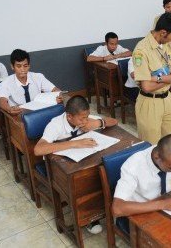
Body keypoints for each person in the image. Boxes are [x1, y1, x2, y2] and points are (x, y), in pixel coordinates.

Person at [34, 95, 117, 234]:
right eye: (82, 119)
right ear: (69, 116)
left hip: (80, 160)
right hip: (58, 167)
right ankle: (90, 218)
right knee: (83, 183)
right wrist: (75, 143)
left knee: (101, 173)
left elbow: (113, 121)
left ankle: (105, 208)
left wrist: (99, 123)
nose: (85, 121)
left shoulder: (84, 117)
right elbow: (38, 149)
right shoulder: (55, 125)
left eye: (87, 116)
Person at [112, 134, 171, 235]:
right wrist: (163, 204)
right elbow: (117, 208)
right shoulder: (133, 166)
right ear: (157, 157)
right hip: (139, 212)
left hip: (166, 204)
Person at [132, 12, 171, 144]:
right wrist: (170, 77)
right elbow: (147, 87)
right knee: (151, 147)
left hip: (167, 99)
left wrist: (157, 79)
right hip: (149, 103)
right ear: (163, 32)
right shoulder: (141, 50)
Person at [0, 49, 62, 115]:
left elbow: (54, 89)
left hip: (39, 111)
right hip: (18, 113)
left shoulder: (38, 77)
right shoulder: (6, 83)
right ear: (12, 66)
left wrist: (59, 95)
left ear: (29, 66)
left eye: (25, 66)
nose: (23, 70)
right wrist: (9, 109)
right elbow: (2, 100)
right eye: (19, 66)